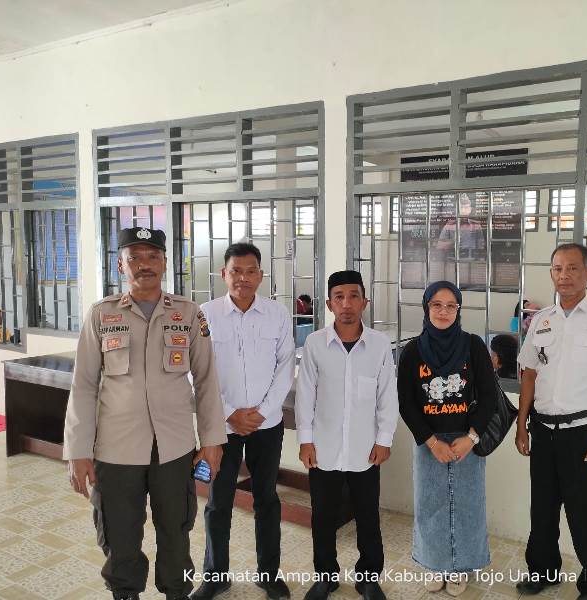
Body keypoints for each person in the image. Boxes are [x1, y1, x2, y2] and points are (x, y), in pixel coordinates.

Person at [63, 227, 227, 600]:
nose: (144, 264)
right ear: (120, 265)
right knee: (119, 533)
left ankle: (176, 592)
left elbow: (206, 380)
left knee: (176, 530)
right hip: (115, 449)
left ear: (165, 262)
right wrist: (77, 450)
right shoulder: (101, 315)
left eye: (152, 256)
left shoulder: (188, 313)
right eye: (134, 257)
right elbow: (84, 385)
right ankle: (125, 593)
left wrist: (213, 441)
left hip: (174, 447)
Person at [514, 243, 587, 600]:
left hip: (585, 434)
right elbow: (529, 374)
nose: (564, 275)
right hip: (543, 431)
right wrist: (521, 425)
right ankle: (543, 570)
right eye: (558, 268)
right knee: (542, 509)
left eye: (573, 268)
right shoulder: (541, 320)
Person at [191, 243, 294, 600]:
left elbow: (286, 366)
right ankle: (215, 576)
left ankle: (269, 574)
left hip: (267, 424)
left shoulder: (277, 314)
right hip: (221, 427)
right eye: (236, 271)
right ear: (224, 274)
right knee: (218, 502)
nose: (243, 278)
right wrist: (230, 412)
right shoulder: (205, 315)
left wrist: (262, 412)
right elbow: (197, 370)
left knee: (266, 499)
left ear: (260, 276)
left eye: (251, 271)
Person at [295, 270, 398, 600]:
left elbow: (387, 396)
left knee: (368, 516)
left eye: (354, 296)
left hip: (365, 449)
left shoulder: (379, 345)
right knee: (323, 517)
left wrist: (384, 439)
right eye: (339, 297)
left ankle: (368, 578)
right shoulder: (315, 344)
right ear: (329, 304)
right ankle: (326, 577)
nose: (347, 304)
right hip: (323, 447)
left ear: (365, 302)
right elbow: (305, 394)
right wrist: (305, 440)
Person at [397, 281, 495, 597]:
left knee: (468, 506)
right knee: (430, 507)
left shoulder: (473, 346)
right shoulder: (412, 351)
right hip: (429, 443)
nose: (443, 311)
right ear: (426, 308)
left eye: (451, 305)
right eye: (436, 305)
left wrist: (471, 437)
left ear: (458, 310)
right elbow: (406, 403)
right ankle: (435, 565)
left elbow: (490, 397)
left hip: (467, 442)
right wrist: (431, 441)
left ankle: (461, 568)